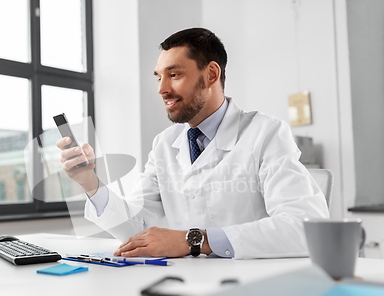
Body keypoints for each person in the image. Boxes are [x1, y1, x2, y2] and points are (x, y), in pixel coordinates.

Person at [57, 28, 329, 259]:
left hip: (252, 290)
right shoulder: (165, 143)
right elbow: (135, 228)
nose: (161, 88)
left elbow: (306, 227)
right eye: (159, 77)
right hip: (184, 284)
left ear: (211, 75)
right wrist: (88, 181)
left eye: (174, 75)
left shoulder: (266, 133)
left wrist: (193, 241)